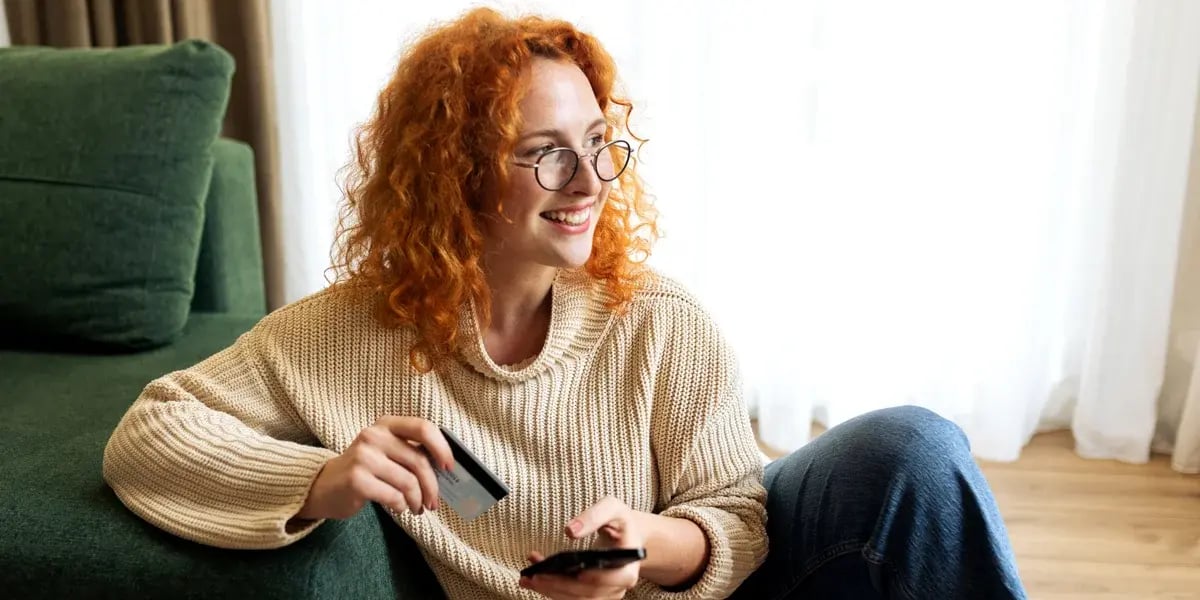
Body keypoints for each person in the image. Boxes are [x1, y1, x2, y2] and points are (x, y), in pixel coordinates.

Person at [102, 7, 1028, 600]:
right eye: (543, 151)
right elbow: (151, 434)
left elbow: (741, 519)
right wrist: (316, 482)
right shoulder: (346, 335)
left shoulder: (657, 318)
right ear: (454, 176)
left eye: (597, 139)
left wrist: (645, 550)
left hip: (726, 591)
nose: (588, 178)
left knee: (915, 448)